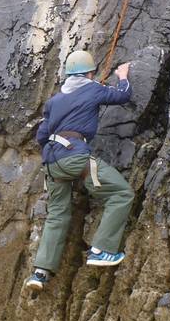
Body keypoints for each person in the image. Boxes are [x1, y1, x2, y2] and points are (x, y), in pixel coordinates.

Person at [25, 50, 134, 293]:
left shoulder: (53, 101)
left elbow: (41, 136)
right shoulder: (93, 89)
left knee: (57, 215)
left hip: (52, 163)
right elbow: (123, 96)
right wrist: (123, 75)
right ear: (89, 73)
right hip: (75, 156)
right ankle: (102, 249)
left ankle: (40, 272)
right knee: (120, 193)